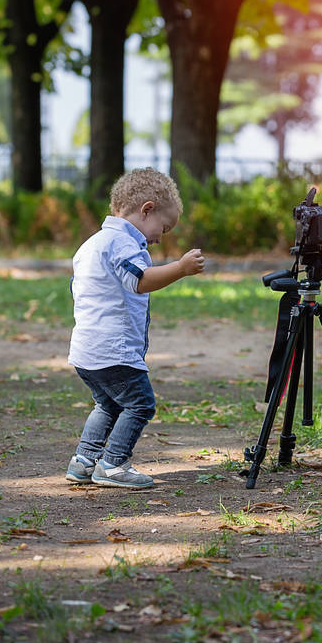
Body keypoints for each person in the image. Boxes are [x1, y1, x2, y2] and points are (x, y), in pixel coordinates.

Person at [65, 168, 205, 489]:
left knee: (109, 404)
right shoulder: (121, 243)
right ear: (147, 209)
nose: (159, 237)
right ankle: (113, 464)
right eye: (163, 227)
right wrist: (181, 268)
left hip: (87, 351)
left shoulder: (91, 245)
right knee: (141, 403)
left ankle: (84, 461)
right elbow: (139, 281)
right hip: (114, 351)